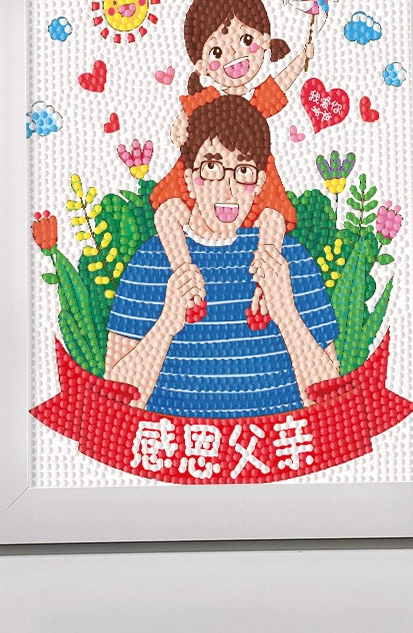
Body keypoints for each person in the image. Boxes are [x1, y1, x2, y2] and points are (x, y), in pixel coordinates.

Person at [105, 95, 339, 418]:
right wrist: (166, 324)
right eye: (212, 167)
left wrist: (287, 313)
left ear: (259, 183)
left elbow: (331, 402)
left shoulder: (289, 261)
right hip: (176, 440)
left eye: (242, 170)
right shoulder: (151, 261)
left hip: (276, 439)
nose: (227, 189)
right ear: (189, 178)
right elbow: (113, 401)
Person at [149, 0, 314, 328]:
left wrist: (301, 60)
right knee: (168, 212)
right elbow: (184, 119)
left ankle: (264, 286)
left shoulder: (257, 102)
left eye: (246, 39)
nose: (235, 56)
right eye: (217, 50)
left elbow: (280, 84)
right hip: (203, 174)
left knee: (272, 220)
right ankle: (184, 272)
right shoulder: (205, 101)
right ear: (201, 65)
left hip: (250, 174)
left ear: (265, 41)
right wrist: (180, 127)